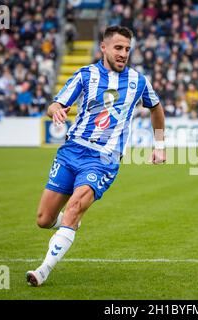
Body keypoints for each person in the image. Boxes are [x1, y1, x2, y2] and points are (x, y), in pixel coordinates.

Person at [26, 26, 166, 287]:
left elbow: (157, 108)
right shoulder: (85, 75)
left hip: (103, 158)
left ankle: (43, 269)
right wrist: (55, 109)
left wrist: (159, 144)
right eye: (118, 48)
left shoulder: (139, 81)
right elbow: (56, 104)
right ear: (104, 47)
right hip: (71, 152)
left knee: (74, 208)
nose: (124, 53)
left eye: (127, 49)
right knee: (44, 220)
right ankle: (69, 225)